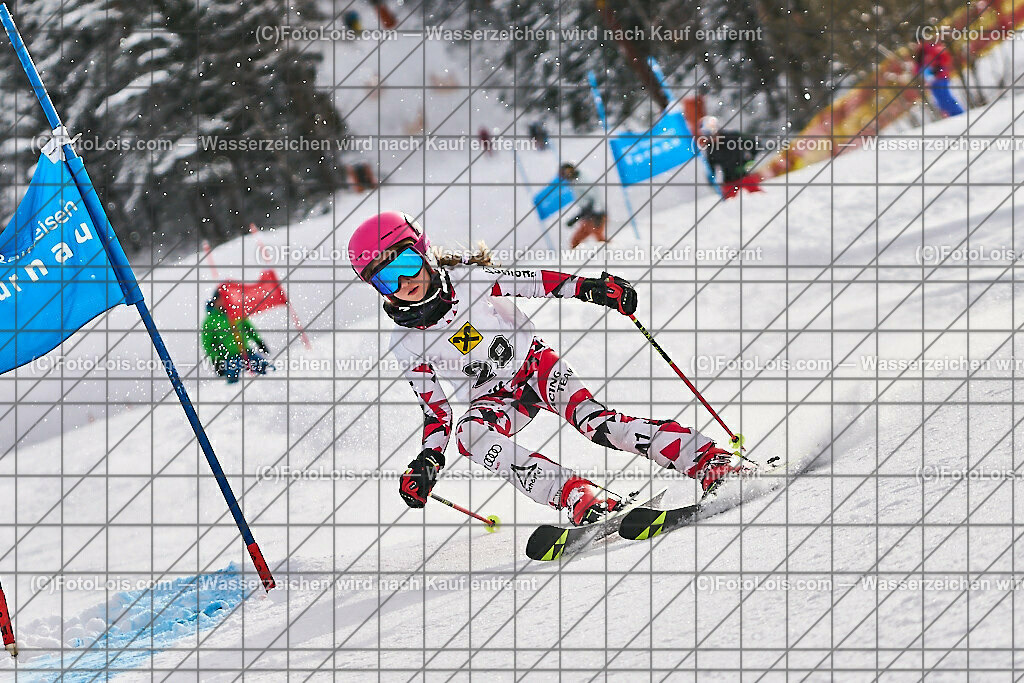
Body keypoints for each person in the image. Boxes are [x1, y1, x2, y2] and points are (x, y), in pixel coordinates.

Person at [349, 211, 748, 526]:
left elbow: (538, 281)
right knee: (468, 435)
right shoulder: (405, 346)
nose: (403, 281)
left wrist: (591, 288)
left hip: (535, 365)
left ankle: (709, 459)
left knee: (597, 424)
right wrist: (427, 462)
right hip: (492, 399)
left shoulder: (471, 280)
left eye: (403, 262)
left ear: (423, 251)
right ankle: (577, 495)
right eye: (385, 277)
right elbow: (437, 415)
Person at [201, 288, 271, 384]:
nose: (223, 301)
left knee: (267, 369)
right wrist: (215, 360)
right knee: (233, 384)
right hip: (229, 358)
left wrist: (259, 341)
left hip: (246, 353)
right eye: (220, 299)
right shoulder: (210, 321)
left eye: (225, 298)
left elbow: (248, 328)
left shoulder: (235, 312)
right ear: (215, 301)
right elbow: (209, 344)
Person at [698, 116, 764, 199]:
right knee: (731, 204)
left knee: (759, 197)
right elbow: (711, 167)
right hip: (729, 181)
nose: (712, 138)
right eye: (707, 135)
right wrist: (711, 180)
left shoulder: (733, 136)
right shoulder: (710, 148)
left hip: (744, 175)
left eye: (712, 134)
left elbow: (755, 144)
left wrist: (751, 159)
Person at [559, 162, 607, 249]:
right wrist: (576, 218)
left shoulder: (584, 179)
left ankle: (615, 253)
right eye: (564, 174)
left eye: (568, 172)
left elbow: (596, 197)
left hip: (595, 214)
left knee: (599, 238)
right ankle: (576, 259)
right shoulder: (574, 182)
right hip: (588, 215)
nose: (567, 175)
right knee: (576, 241)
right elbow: (584, 202)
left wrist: (598, 213)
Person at [914, 41, 964, 118]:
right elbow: (917, 68)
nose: (919, 44)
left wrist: (937, 67)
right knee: (940, 100)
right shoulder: (920, 54)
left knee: (945, 96)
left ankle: (958, 113)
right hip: (931, 80)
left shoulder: (931, 48)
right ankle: (952, 115)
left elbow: (944, 58)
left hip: (940, 77)